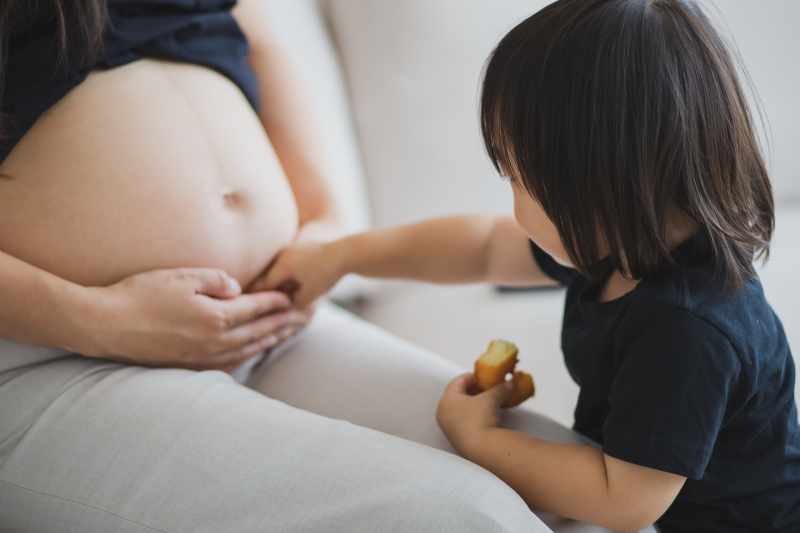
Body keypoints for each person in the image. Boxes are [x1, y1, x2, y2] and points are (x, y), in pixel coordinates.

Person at [0, 1, 603, 532]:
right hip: (53, 356)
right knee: (458, 519)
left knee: (577, 495)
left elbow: (260, 45)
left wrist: (323, 222)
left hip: (270, 317)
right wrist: (97, 318)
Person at [254, 0, 800, 531]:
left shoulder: (687, 330)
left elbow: (626, 499)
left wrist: (479, 440)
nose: (510, 195)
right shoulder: (622, 234)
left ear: (597, 187)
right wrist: (343, 255)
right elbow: (483, 246)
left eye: (516, 176)